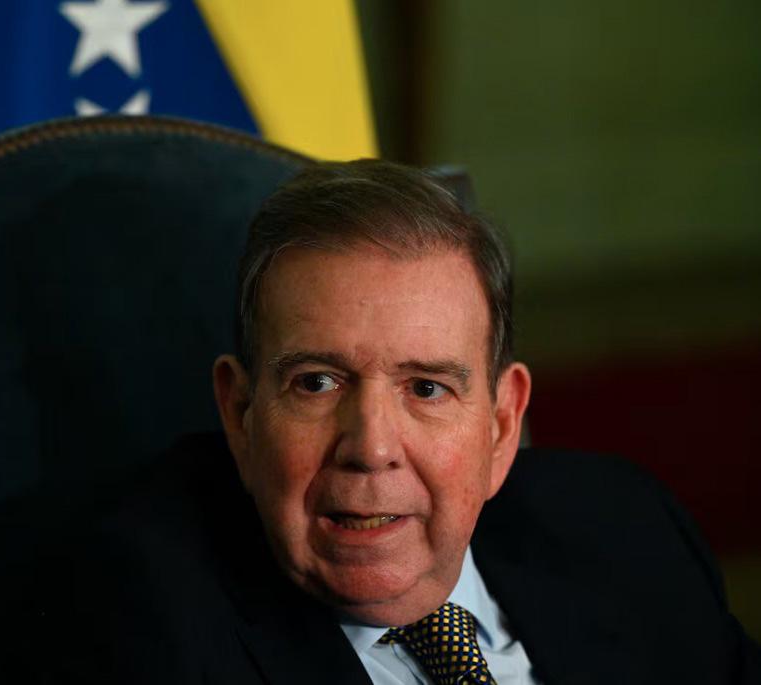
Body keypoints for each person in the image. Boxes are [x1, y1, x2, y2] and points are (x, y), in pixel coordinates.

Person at [55, 160, 760, 684]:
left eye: (426, 388)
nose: (371, 447)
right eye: (317, 382)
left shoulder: (628, 533)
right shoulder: (140, 629)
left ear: (502, 423)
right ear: (240, 414)